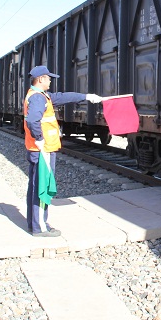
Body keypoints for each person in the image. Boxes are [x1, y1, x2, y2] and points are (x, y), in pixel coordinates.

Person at [24, 65, 102, 237]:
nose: (51, 81)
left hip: (38, 149)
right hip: (43, 150)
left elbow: (63, 97)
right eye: (49, 78)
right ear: (41, 79)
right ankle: (40, 228)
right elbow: (32, 120)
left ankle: (34, 223)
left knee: (35, 186)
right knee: (42, 188)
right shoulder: (38, 98)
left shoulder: (41, 96)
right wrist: (39, 138)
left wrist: (86, 96)